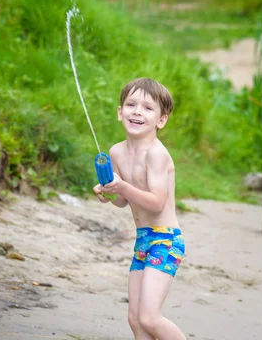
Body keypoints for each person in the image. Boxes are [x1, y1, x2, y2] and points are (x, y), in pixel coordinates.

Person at [93, 77, 186, 340]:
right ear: (120, 112)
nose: (137, 111)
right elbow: (123, 201)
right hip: (144, 240)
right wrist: (108, 193)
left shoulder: (156, 154)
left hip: (166, 240)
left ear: (161, 120)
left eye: (148, 108)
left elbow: (157, 202)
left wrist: (121, 187)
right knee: (135, 319)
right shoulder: (117, 152)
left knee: (149, 317)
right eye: (131, 104)